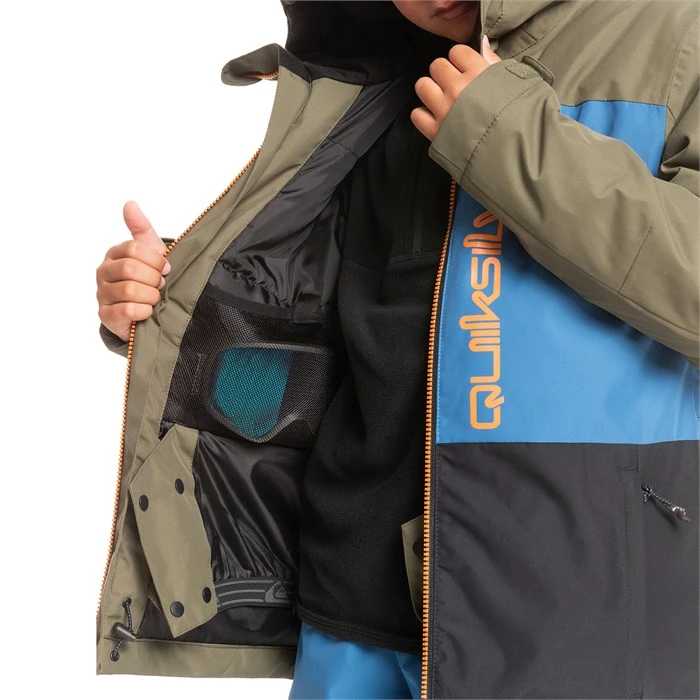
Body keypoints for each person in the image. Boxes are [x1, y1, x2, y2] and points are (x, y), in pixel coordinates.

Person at [95, 1, 699, 698]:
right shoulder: (370, 66)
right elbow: (324, 317)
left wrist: (508, 136)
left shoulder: (668, 27)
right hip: (346, 600)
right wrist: (167, 299)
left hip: (569, 603)